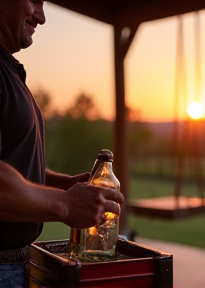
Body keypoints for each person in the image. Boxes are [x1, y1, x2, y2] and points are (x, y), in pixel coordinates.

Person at [0, 0, 124, 287]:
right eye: (34, 1)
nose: (42, 18)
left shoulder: (9, 71)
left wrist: (65, 185)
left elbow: (14, 167)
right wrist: (66, 205)